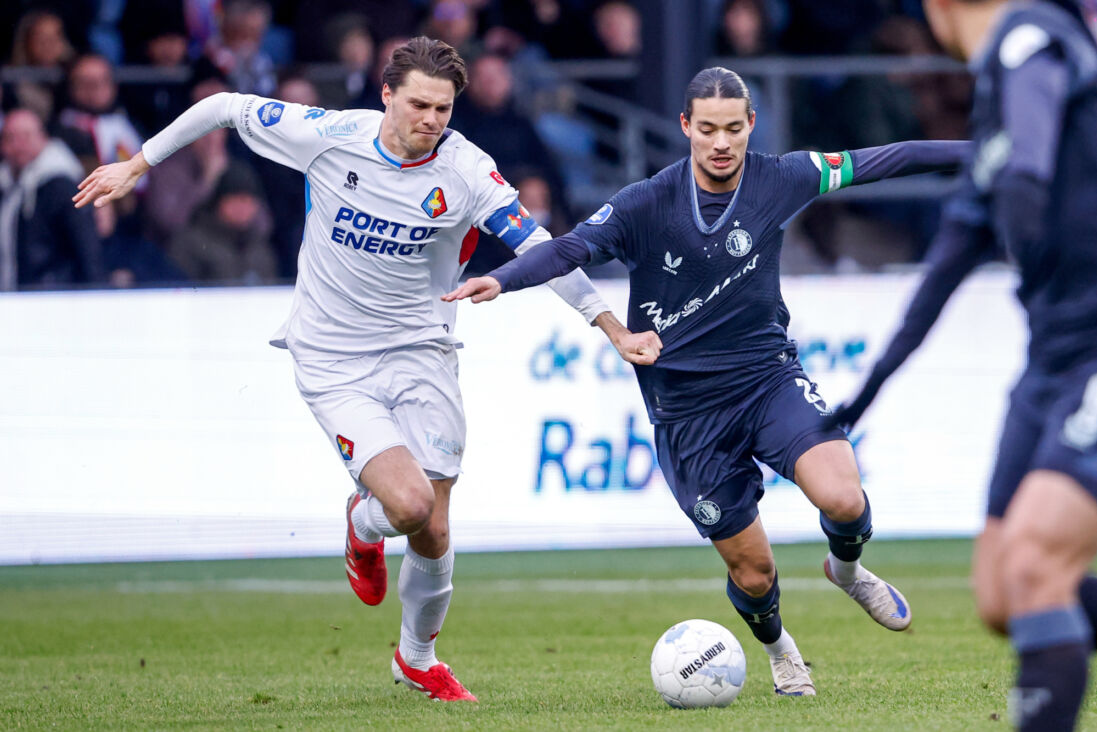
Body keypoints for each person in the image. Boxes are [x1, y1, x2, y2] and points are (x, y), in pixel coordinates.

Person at [72, 36, 659, 702]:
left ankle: (416, 659)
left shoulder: (468, 171)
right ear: (386, 95)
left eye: (444, 108)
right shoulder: (328, 136)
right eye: (419, 104)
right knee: (407, 505)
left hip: (421, 350)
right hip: (334, 356)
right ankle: (361, 523)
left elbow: (542, 248)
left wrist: (610, 327)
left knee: (434, 526)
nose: (432, 119)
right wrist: (137, 164)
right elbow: (225, 107)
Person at [445, 66, 970, 696]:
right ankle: (780, 650)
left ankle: (848, 570)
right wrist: (504, 278)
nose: (721, 143)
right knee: (754, 572)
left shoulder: (785, 176)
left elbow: (888, 158)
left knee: (845, 500)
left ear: (751, 125)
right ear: (687, 128)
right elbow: (570, 249)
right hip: (688, 411)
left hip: (766, 379)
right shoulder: (646, 203)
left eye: (733, 129)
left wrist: (988, 153)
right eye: (708, 130)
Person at [823, 1, 1097, 729]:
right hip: (1051, 363)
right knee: (1003, 592)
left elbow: (1030, 168)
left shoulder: (1029, 37)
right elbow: (939, 278)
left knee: (1039, 561)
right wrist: (866, 394)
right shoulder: (991, 116)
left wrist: (1028, 200)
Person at [0, 109, 101, 291]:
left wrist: (96, 293)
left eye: (27, 136)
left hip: (54, 296)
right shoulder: (6, 187)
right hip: (11, 294)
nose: (19, 145)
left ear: (43, 138)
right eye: (10, 138)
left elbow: (87, 247)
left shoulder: (61, 185)